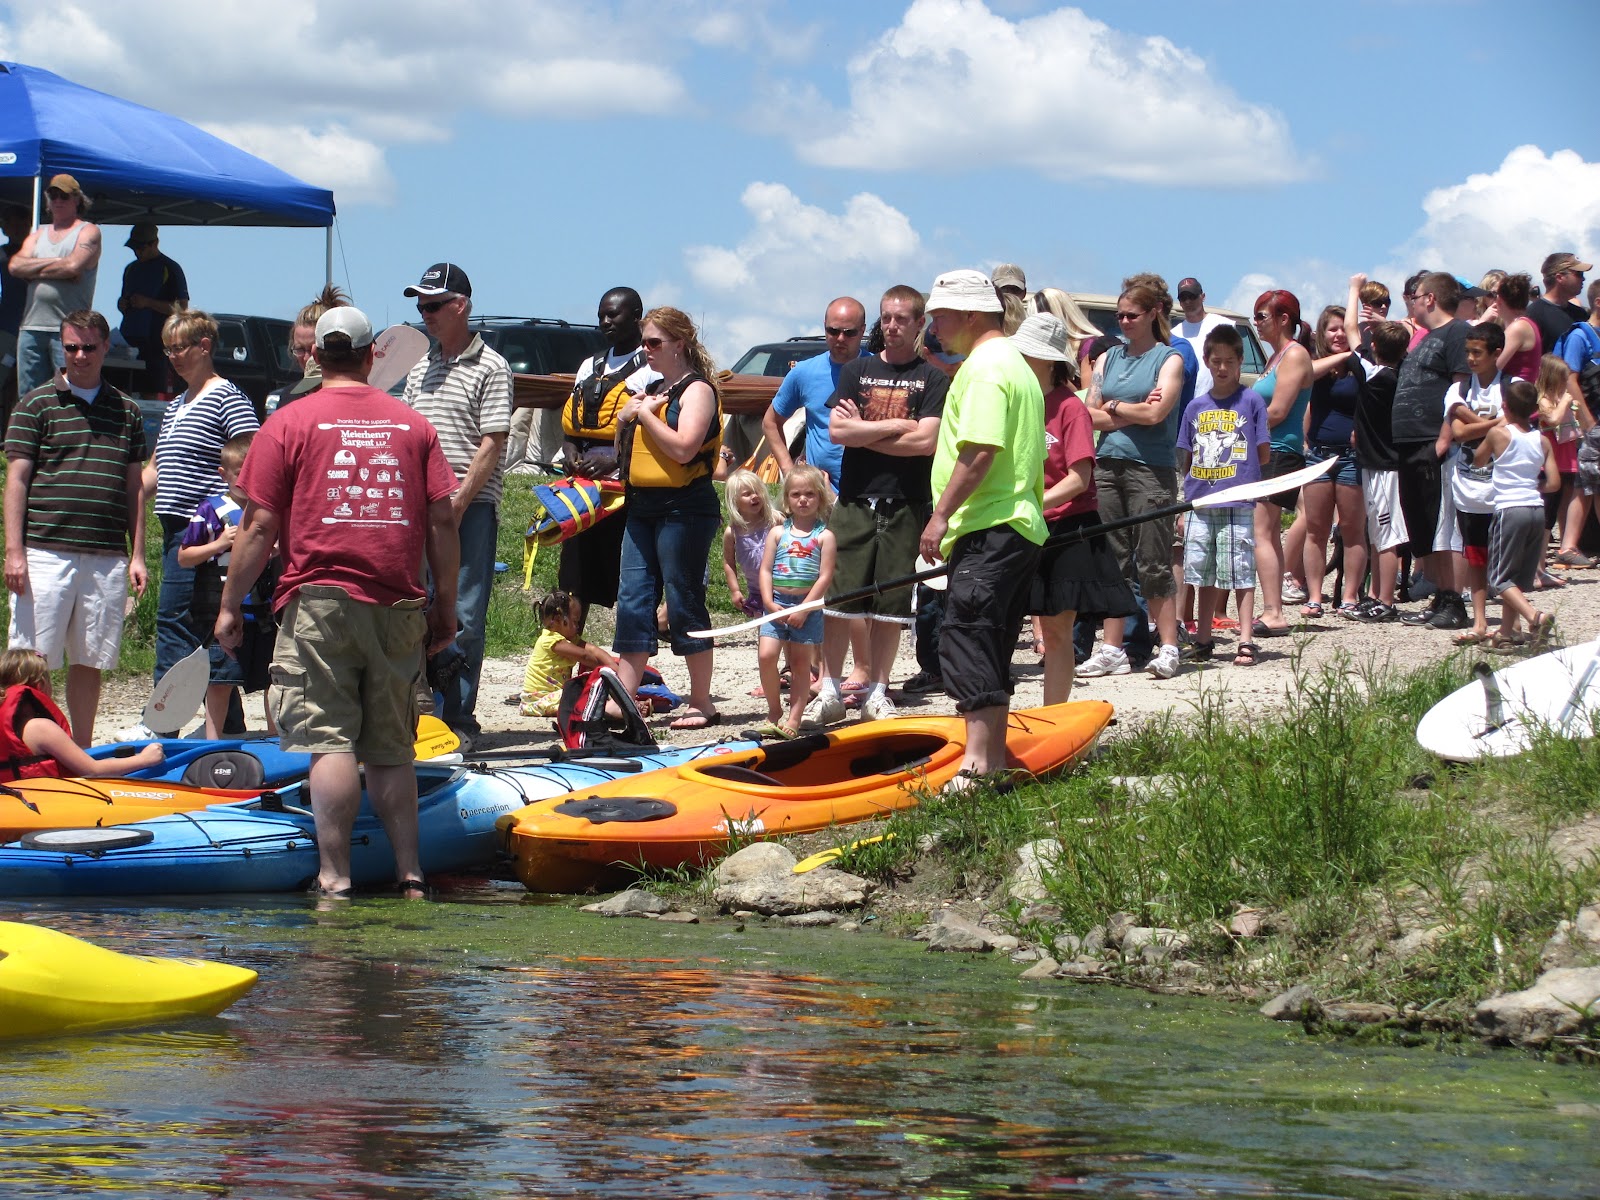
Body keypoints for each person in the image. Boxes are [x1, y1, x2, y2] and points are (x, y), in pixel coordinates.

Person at [217, 306, 460, 899]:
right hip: (398, 601)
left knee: (329, 741)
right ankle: (409, 871)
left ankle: (335, 875)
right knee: (391, 746)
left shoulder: (288, 423)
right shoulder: (413, 425)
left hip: (317, 600)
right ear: (372, 354)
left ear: (316, 355)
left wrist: (230, 603)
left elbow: (257, 526)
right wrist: (445, 604)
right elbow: (443, 519)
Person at [918, 269, 1045, 791]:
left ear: (971, 313)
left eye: (940, 315)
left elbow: (981, 448)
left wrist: (941, 514)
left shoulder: (988, 367)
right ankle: (995, 759)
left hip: (991, 522)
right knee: (989, 639)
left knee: (966, 636)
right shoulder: (1012, 362)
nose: (934, 326)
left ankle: (976, 764)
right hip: (1015, 525)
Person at [4, 309, 148, 745]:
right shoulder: (35, 403)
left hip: (106, 555)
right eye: (71, 347)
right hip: (46, 551)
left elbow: (134, 488)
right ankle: (24, 748)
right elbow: (17, 480)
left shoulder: (127, 410)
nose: (80, 355)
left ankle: (80, 752)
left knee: (91, 660)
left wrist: (138, 553)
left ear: (106, 347)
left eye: (89, 346)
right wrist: (14, 552)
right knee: (32, 660)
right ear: (61, 347)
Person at [812, 284, 948, 726]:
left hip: (906, 502)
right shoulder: (857, 370)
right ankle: (829, 690)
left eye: (901, 319)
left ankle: (878, 689)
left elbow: (926, 441)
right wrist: (895, 426)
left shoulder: (932, 378)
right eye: (886, 318)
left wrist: (867, 430)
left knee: (890, 602)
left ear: (918, 324)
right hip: (854, 498)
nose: (891, 327)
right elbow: (838, 432)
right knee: (840, 600)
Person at [401, 262, 513, 749]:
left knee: (464, 610)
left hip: (468, 507)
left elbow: (493, 441)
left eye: (432, 305)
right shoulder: (420, 368)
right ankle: (420, 711)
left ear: (460, 306)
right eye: (421, 306)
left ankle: (458, 715)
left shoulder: (492, 366)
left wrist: (461, 501)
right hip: (419, 508)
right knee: (413, 607)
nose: (424, 314)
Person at [612, 306, 723, 730]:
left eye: (654, 342)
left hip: (685, 508)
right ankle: (624, 699)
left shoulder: (698, 391)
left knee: (683, 599)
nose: (646, 350)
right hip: (643, 506)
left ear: (680, 343)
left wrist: (642, 415)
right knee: (634, 600)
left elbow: (683, 449)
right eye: (644, 342)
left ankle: (702, 702)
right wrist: (628, 417)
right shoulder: (653, 388)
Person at [1014, 313, 1135, 702]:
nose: (1021, 361)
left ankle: (1055, 716)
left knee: (1057, 631)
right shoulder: (1018, 400)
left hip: (1069, 528)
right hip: (1025, 526)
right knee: (1030, 627)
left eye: (1028, 354)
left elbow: (1079, 478)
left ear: (1048, 360)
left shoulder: (1070, 408)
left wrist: (1033, 504)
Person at [144, 309, 261, 693]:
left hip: (206, 528)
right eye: (168, 350)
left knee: (174, 620)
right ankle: (226, 722)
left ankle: (162, 719)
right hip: (175, 525)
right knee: (196, 622)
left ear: (204, 346)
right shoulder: (177, 404)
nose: (174, 357)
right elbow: (156, 466)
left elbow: (252, 459)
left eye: (180, 347)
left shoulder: (228, 397)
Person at [1079, 277, 1186, 679]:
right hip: (1108, 463)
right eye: (1119, 315)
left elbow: (1157, 415)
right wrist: (1134, 408)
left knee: (1154, 560)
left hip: (1150, 469)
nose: (1123, 322)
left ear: (1153, 313)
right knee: (1114, 560)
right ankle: (1112, 648)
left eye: (1131, 315)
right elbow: (1090, 412)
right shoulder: (1108, 358)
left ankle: (1170, 645)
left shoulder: (1168, 359)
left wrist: (1117, 405)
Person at [552, 287, 656, 634]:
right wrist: (571, 454)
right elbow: (572, 426)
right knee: (573, 576)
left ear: (637, 315)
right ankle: (562, 660)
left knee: (626, 578)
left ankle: (628, 667)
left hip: (627, 486)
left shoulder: (650, 367)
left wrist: (615, 456)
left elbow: (654, 427)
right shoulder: (589, 365)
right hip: (584, 488)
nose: (606, 321)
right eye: (601, 315)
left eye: (614, 314)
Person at [1175, 324, 1270, 666]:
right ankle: (1203, 637)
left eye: (1230, 360)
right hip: (1200, 501)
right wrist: (1182, 506)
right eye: (1216, 361)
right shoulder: (1195, 407)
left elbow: (1263, 453)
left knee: (1240, 569)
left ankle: (1245, 638)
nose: (1223, 368)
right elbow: (1185, 458)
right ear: (1207, 361)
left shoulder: (1252, 400)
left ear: (1240, 360)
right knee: (1202, 571)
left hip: (1236, 500)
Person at [177, 432, 278, 738]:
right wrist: (218, 543)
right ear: (224, 474)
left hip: (262, 611)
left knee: (272, 676)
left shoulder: (270, 510)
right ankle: (212, 738)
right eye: (239, 473)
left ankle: (275, 737)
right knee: (221, 678)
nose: (247, 479)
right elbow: (184, 556)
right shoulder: (211, 509)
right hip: (221, 611)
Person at [1393, 271, 1471, 630]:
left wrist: (1443, 437)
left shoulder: (1456, 332)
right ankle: (1441, 595)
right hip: (1409, 445)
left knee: (1444, 526)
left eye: (1416, 295)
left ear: (1431, 298)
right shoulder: (1422, 339)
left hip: (1434, 444)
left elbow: (1461, 386)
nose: (1411, 300)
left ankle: (1455, 600)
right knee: (1424, 524)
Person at [1246, 290, 1314, 635]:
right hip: (1266, 450)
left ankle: (1273, 610)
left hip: (1280, 450)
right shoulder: (1275, 358)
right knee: (1268, 532)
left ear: (1283, 318)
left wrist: (1235, 427)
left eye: (1261, 316)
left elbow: (1277, 411)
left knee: (1262, 531)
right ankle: (1272, 609)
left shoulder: (1294, 354)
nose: (1256, 323)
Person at [1476, 380, 1559, 649]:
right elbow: (1555, 484)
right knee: (1516, 577)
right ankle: (1507, 632)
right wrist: (1536, 485)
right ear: (1534, 409)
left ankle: (1536, 617)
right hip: (1536, 509)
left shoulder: (1498, 434)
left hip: (1510, 508)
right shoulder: (1542, 441)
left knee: (1499, 578)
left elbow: (1478, 460)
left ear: (1505, 406)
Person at [755, 465, 836, 740]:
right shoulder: (778, 533)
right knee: (767, 656)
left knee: (801, 664)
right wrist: (768, 601)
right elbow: (765, 570)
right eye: (796, 494)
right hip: (776, 602)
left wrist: (805, 608)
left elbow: (825, 577)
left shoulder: (825, 536)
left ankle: (794, 717)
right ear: (786, 498)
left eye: (810, 494)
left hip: (807, 606)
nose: (803, 499)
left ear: (820, 498)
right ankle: (774, 711)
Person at [0, 649, 163, 780]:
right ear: (41, 685)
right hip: (43, 805)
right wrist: (144, 759)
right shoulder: (40, 728)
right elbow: (93, 771)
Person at [1299, 306, 1368, 618]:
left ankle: (1351, 595)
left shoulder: (1362, 366)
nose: (1339, 334)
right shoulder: (1316, 366)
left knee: (1352, 530)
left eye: (1343, 328)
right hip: (1318, 455)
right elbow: (1307, 377)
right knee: (1316, 529)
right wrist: (1343, 357)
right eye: (1332, 329)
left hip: (1352, 456)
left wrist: (1353, 356)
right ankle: (1314, 596)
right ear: (1322, 335)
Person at [8, 176, 101, 397]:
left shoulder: (88, 231)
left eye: (64, 196)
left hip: (70, 330)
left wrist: (35, 272)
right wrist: (59, 267)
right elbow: (14, 266)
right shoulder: (37, 234)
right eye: (53, 195)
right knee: (29, 398)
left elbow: (73, 266)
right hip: (32, 327)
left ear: (77, 200)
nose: (58, 200)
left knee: (68, 395)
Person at [762, 297, 866, 492]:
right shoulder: (804, 372)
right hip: (819, 496)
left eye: (849, 332)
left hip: (868, 493)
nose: (840, 338)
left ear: (862, 330)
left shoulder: (878, 371)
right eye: (833, 331)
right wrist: (789, 472)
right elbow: (770, 423)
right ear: (824, 326)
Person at [1444, 323, 1506, 645]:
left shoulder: (1511, 385)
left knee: (1506, 561)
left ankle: (1510, 625)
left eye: (1476, 352)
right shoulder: (1460, 389)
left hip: (1502, 489)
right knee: (1476, 558)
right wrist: (1496, 425)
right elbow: (1457, 432)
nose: (1470, 359)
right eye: (1467, 352)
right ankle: (1480, 622)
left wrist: (1476, 424)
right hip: (1468, 489)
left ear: (1497, 353)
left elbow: (1516, 425)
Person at [520, 590, 619, 718]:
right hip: (538, 700)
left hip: (554, 696)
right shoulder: (551, 640)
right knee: (578, 697)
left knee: (579, 695)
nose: (578, 626)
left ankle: (610, 706)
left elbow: (592, 650)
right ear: (557, 619)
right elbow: (585, 656)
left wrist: (612, 665)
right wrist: (602, 668)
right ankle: (610, 709)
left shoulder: (568, 639)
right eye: (575, 621)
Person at [117, 221, 189, 397]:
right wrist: (122, 304)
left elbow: (182, 307)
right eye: (135, 248)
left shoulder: (170, 268)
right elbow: (123, 299)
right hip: (127, 341)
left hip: (155, 343)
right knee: (121, 389)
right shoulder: (130, 269)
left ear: (154, 244)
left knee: (150, 391)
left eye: (141, 248)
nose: (137, 252)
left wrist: (148, 303)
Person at [265, 284, 349, 415]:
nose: (306, 358)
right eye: (300, 349)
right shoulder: (289, 397)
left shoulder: (350, 395)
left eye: (313, 349)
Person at [1534, 355, 1583, 561]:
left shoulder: (1559, 399)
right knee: (1546, 512)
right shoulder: (1543, 400)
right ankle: (1537, 563)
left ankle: (1542, 564)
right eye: (1563, 379)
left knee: (1552, 512)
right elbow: (1552, 419)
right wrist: (1564, 402)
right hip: (1549, 463)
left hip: (1566, 458)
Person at [721, 468, 777, 620]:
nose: (754, 496)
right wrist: (735, 590)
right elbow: (728, 563)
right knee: (765, 632)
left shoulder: (774, 521)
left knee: (788, 631)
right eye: (747, 494)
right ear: (735, 501)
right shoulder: (732, 532)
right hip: (757, 591)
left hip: (782, 588)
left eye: (757, 491)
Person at [1170, 277, 1231, 398]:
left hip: (1218, 403)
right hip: (1185, 406)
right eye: (1183, 298)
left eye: (1192, 296)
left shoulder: (1224, 326)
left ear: (1203, 297)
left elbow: (1234, 367)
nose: (1188, 302)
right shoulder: (1174, 334)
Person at [1527, 252, 1590, 361]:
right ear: (1560, 277)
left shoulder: (1581, 314)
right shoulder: (1533, 314)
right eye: (1579, 274)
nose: (1583, 279)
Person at [0, 204, 31, 431]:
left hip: (32, 328)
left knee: (22, 386)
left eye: (9, 220)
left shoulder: (37, 252)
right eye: (7, 221)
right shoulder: (4, 253)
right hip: (8, 327)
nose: (5, 225)